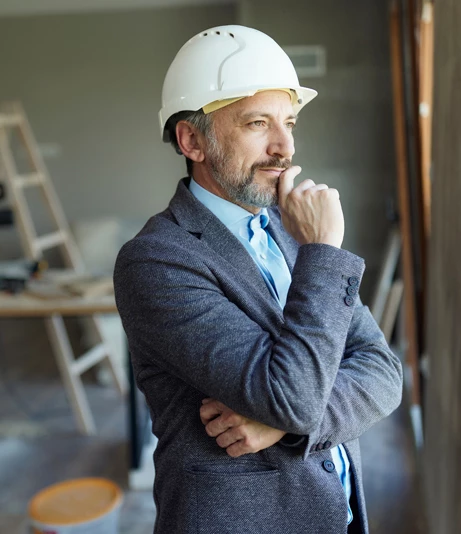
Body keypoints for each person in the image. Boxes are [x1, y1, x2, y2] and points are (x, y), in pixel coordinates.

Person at [113, 26, 403, 534]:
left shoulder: (289, 230)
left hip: (338, 513)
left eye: (289, 122)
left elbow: (383, 370)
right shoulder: (156, 261)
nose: (283, 146)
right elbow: (291, 397)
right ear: (192, 140)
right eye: (257, 123)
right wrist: (322, 252)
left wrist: (284, 429)